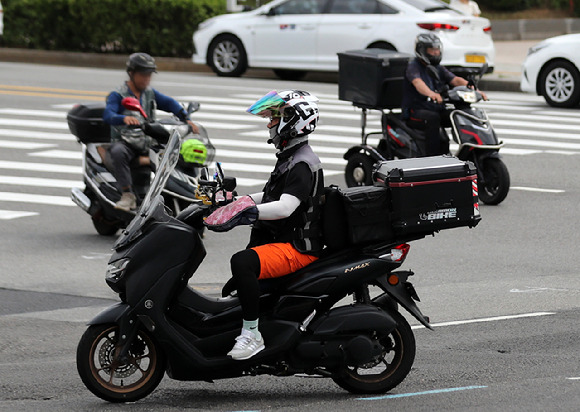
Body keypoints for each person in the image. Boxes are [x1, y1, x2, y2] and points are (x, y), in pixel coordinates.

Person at [204, 90, 324, 360]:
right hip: (281, 240)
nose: (269, 122)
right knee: (233, 289)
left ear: (293, 121)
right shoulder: (291, 157)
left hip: (296, 247)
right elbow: (271, 195)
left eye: (274, 117)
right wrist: (234, 202)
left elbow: (285, 206)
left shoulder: (303, 163)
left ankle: (252, 336)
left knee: (243, 263)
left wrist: (247, 212)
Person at [103, 52, 198, 212]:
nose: (146, 79)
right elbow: (108, 114)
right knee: (118, 151)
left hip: (147, 141)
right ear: (131, 73)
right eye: (143, 75)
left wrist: (186, 118)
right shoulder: (118, 94)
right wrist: (123, 119)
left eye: (149, 75)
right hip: (126, 142)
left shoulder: (149, 93)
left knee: (173, 157)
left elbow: (170, 103)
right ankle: (127, 195)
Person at [401, 34, 488, 156]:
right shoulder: (413, 67)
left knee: (458, 114)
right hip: (415, 110)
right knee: (433, 118)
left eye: (437, 49)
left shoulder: (437, 68)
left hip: (435, 108)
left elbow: (455, 80)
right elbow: (417, 82)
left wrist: (473, 89)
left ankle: (469, 147)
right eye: (432, 50)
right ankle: (432, 156)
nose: (436, 52)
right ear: (422, 50)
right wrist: (431, 94)